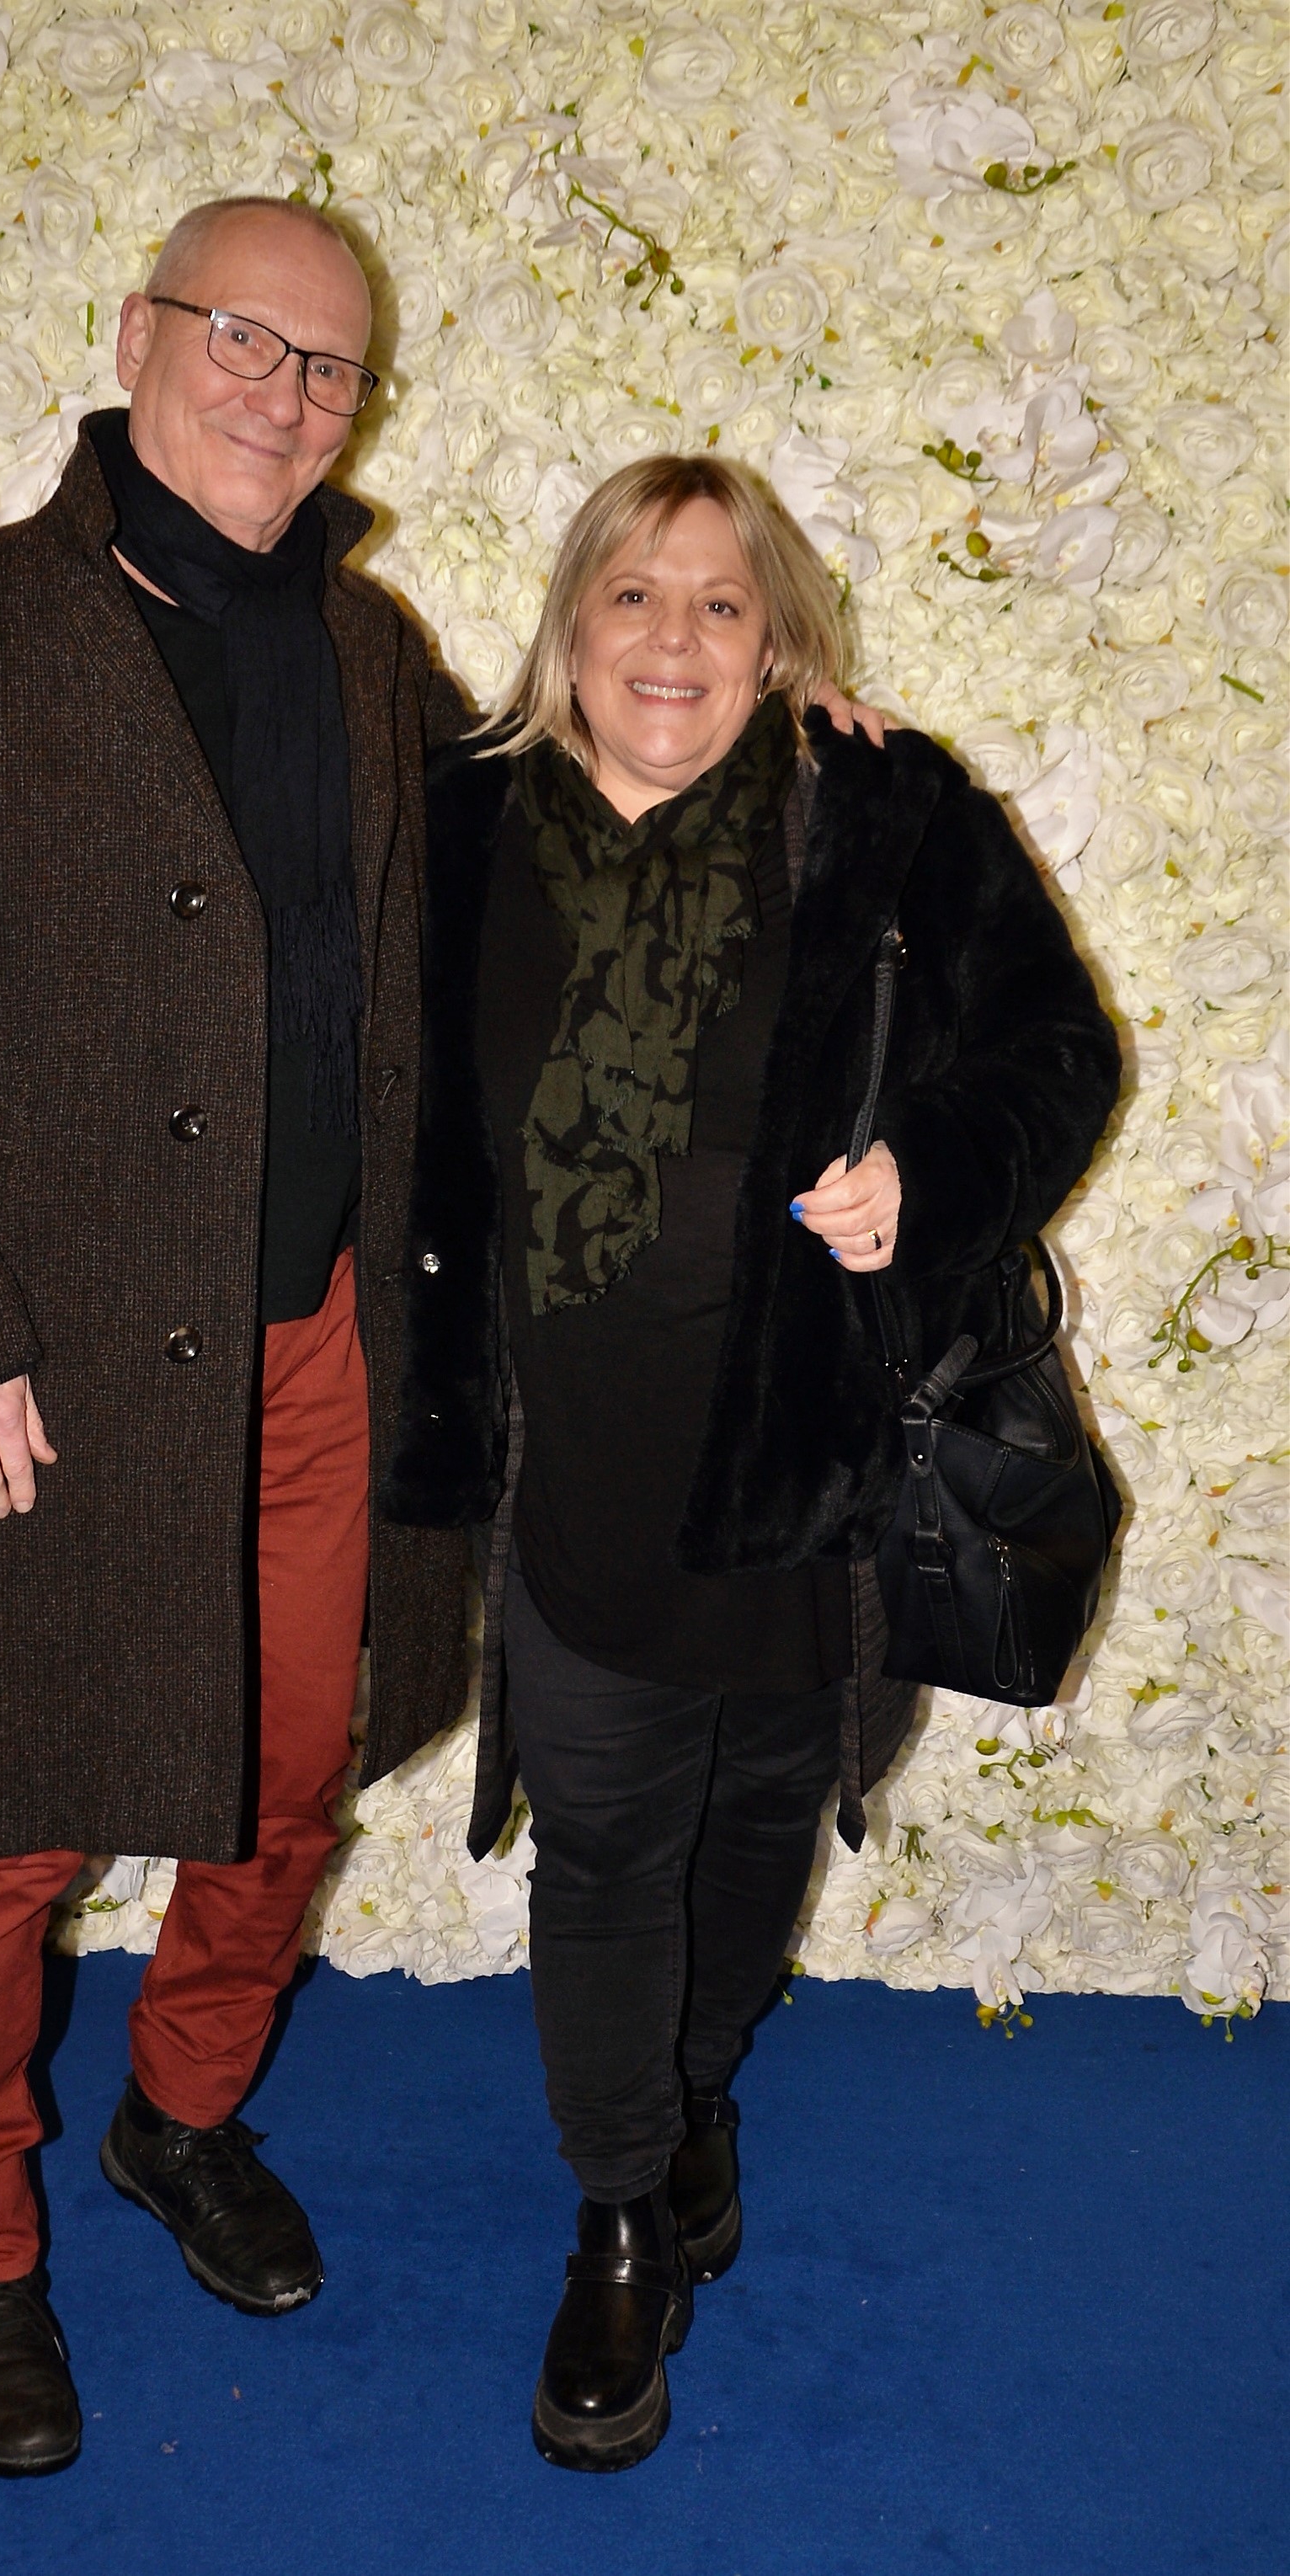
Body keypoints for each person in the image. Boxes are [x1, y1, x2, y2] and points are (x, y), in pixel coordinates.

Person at [0, 195, 481, 2477]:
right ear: (135, 335)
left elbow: (542, 842)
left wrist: (798, 734)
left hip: (316, 1344)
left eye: (330, 364)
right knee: (1, 1829)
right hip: (43, 1376)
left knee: (284, 1781)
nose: (286, 392)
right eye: (243, 338)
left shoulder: (370, 651)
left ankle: (179, 2112)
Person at [382, 455, 1120, 2472]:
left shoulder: (879, 810)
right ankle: (620, 2216)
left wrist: (929, 1171)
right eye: (635, 594)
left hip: (814, 1461)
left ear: (780, 642)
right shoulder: (453, 827)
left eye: (723, 603)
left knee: (762, 1820)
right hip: (570, 1472)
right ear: (570, 623)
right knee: (607, 1848)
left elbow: (1057, 1052)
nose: (674, 640)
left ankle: (698, 2094)